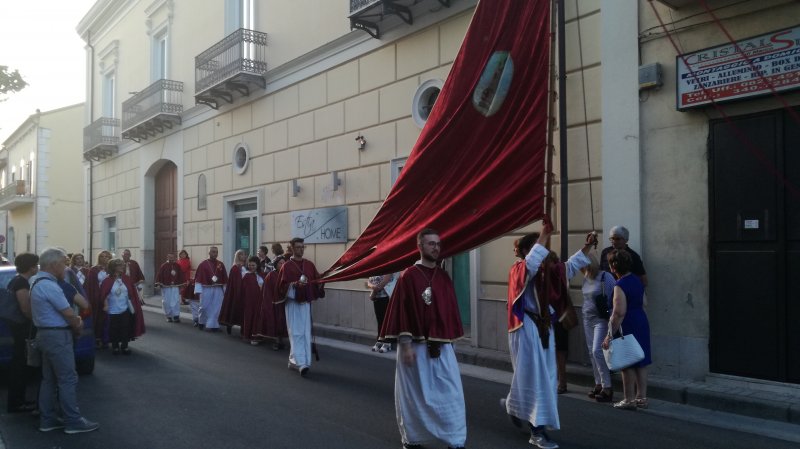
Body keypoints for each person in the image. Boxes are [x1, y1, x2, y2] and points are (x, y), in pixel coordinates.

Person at [502, 221, 595, 449]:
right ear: (526, 251)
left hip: (545, 330)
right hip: (525, 330)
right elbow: (531, 266)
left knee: (544, 378)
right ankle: (537, 431)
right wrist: (544, 235)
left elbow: (568, 268)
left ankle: (514, 406)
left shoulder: (548, 271)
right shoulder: (520, 269)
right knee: (535, 379)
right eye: (537, 246)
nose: (543, 250)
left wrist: (587, 248)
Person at [379, 228, 466, 449]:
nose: (436, 247)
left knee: (452, 393)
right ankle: (413, 439)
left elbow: (448, 311)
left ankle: (456, 440)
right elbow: (402, 310)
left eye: (438, 244)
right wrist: (406, 345)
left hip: (442, 347)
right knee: (413, 396)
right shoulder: (408, 275)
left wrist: (448, 339)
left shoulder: (444, 277)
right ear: (419, 246)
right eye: (430, 244)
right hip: (414, 347)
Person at [30, 247, 99, 434]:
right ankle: (73, 421)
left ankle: (48, 419)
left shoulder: (36, 280)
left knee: (49, 379)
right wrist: (78, 324)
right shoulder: (50, 286)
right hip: (57, 336)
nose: (65, 267)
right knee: (68, 378)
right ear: (54, 264)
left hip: (45, 334)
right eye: (63, 263)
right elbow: (69, 314)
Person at [603, 249, 652, 410]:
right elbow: (644, 302)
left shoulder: (620, 285)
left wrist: (609, 335)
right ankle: (642, 398)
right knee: (641, 360)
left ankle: (629, 399)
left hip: (628, 323)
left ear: (613, 267)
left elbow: (618, 313)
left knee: (627, 361)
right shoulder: (637, 280)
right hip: (641, 320)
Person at [277, 237, 324, 377]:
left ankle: (295, 361)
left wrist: (322, 280)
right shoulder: (287, 266)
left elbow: (316, 279)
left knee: (305, 333)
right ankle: (301, 363)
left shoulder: (309, 264)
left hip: (306, 303)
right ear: (292, 248)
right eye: (298, 247)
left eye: (302, 247)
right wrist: (295, 285)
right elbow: (281, 287)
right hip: (293, 303)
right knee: (296, 332)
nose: (301, 249)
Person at [4, 253, 38, 413]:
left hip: (16, 327)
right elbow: (25, 309)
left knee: (19, 363)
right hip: (21, 329)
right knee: (20, 365)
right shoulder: (21, 283)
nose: (37, 267)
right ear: (31, 267)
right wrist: (37, 321)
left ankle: (18, 401)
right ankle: (17, 402)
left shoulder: (16, 280)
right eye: (36, 265)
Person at [580, 252, 615, 403]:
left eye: (584, 265)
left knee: (597, 350)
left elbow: (614, 296)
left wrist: (613, 318)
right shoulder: (586, 277)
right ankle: (598, 384)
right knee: (591, 352)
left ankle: (608, 387)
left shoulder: (605, 277)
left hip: (601, 318)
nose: (582, 269)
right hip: (587, 318)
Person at [101, 259, 146, 355]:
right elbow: (103, 295)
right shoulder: (107, 281)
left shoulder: (127, 279)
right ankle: (115, 347)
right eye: (119, 265)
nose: (122, 267)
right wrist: (105, 304)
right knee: (114, 329)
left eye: (122, 265)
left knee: (125, 328)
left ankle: (125, 346)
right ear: (113, 267)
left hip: (125, 308)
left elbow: (132, 293)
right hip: (112, 310)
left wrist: (134, 303)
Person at [254, 257, 288, 350]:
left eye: (284, 263)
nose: (282, 265)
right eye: (280, 263)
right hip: (274, 303)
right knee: (276, 322)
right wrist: (269, 303)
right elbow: (267, 291)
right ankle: (276, 341)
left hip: (284, 303)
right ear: (276, 265)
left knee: (283, 323)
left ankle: (281, 340)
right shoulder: (271, 275)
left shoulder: (286, 274)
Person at [194, 246, 228, 332]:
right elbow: (198, 278)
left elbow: (224, 278)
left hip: (217, 289)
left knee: (217, 307)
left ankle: (213, 325)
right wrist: (198, 290)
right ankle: (201, 321)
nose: (215, 253)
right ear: (209, 253)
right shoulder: (203, 264)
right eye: (213, 252)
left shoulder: (220, 264)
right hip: (206, 288)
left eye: (216, 252)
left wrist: (225, 290)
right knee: (204, 306)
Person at [84, 250, 112, 348]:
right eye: (102, 256)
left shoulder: (111, 269)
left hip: (110, 296)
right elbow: (90, 285)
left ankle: (108, 338)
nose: (104, 258)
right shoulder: (94, 270)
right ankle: (97, 338)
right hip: (98, 297)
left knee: (111, 318)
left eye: (107, 256)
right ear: (99, 258)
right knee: (99, 318)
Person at [366, 273, 397, 353]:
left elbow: (384, 282)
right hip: (377, 298)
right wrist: (373, 289)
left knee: (386, 321)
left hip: (386, 298)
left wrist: (373, 293)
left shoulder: (388, 267)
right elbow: (368, 282)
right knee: (380, 321)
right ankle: (380, 340)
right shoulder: (374, 268)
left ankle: (388, 342)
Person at [220, 249, 247, 334]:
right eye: (242, 255)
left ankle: (243, 328)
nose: (244, 256)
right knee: (234, 308)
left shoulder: (245, 266)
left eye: (244, 255)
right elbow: (235, 281)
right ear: (238, 256)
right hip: (236, 292)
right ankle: (229, 325)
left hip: (244, 291)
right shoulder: (235, 268)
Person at [155, 252, 186, 323]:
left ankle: (176, 316)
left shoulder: (177, 266)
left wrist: (182, 285)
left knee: (176, 301)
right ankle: (168, 316)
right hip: (166, 287)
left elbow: (181, 275)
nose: (172, 259)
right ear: (167, 257)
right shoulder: (164, 266)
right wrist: (159, 283)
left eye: (173, 257)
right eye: (170, 257)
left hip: (175, 287)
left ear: (175, 257)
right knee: (167, 301)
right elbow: (160, 275)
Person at [241, 256, 264, 345]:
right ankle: (248, 335)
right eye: (250, 265)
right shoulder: (246, 275)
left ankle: (257, 335)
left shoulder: (261, 275)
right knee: (249, 317)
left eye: (253, 265)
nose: (251, 267)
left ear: (257, 265)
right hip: (249, 301)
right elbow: (244, 289)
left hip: (259, 300)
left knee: (258, 318)